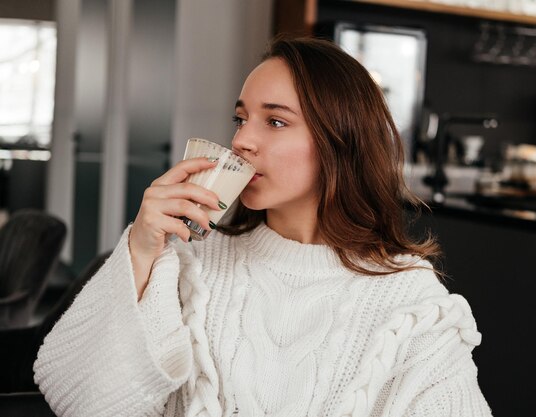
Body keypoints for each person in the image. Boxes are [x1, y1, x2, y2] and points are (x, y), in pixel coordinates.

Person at [34, 37, 492, 417]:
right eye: (240, 119)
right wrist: (139, 249)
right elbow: (80, 402)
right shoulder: (188, 261)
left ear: (341, 141)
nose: (241, 141)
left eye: (275, 121)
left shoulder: (408, 298)